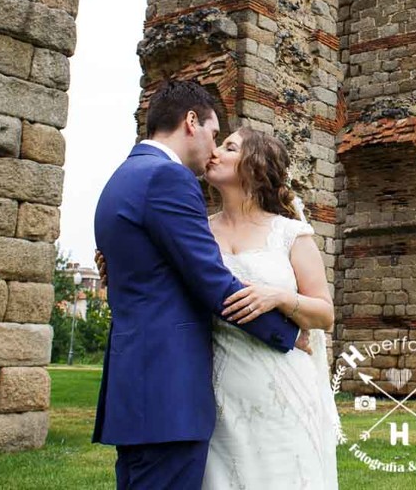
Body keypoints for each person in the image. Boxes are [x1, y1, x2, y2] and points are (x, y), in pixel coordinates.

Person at [92, 80, 308, 489]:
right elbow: (210, 281)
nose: (213, 149)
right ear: (191, 121)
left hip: (137, 387)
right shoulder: (167, 179)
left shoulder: (122, 178)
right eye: (214, 134)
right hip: (168, 393)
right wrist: (286, 331)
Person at [200, 125, 339, 489]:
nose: (215, 151)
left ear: (255, 165)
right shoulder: (195, 231)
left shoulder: (290, 234)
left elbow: (325, 314)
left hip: (282, 386)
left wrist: (279, 297)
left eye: (229, 147)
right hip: (220, 390)